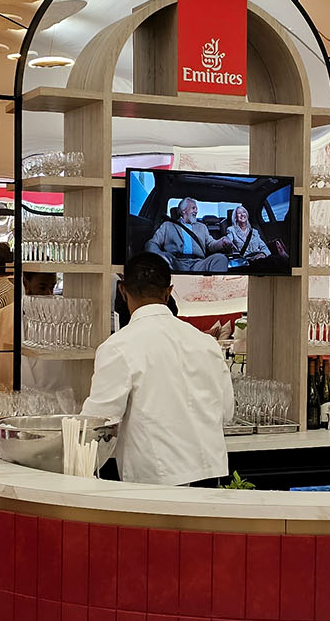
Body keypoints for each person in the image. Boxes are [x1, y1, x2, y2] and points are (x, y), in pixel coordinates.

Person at [81, 253, 234, 486]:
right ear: (168, 292)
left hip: (156, 479)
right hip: (209, 473)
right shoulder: (206, 343)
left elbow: (98, 422)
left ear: (122, 291)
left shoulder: (117, 347)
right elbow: (226, 412)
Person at [144, 198, 229, 273]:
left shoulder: (202, 227)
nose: (196, 211)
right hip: (174, 262)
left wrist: (222, 242)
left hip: (198, 264)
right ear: (183, 210)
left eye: (196, 209)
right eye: (193, 208)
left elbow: (211, 244)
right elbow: (152, 243)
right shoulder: (168, 225)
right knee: (164, 261)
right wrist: (159, 256)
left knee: (221, 259)